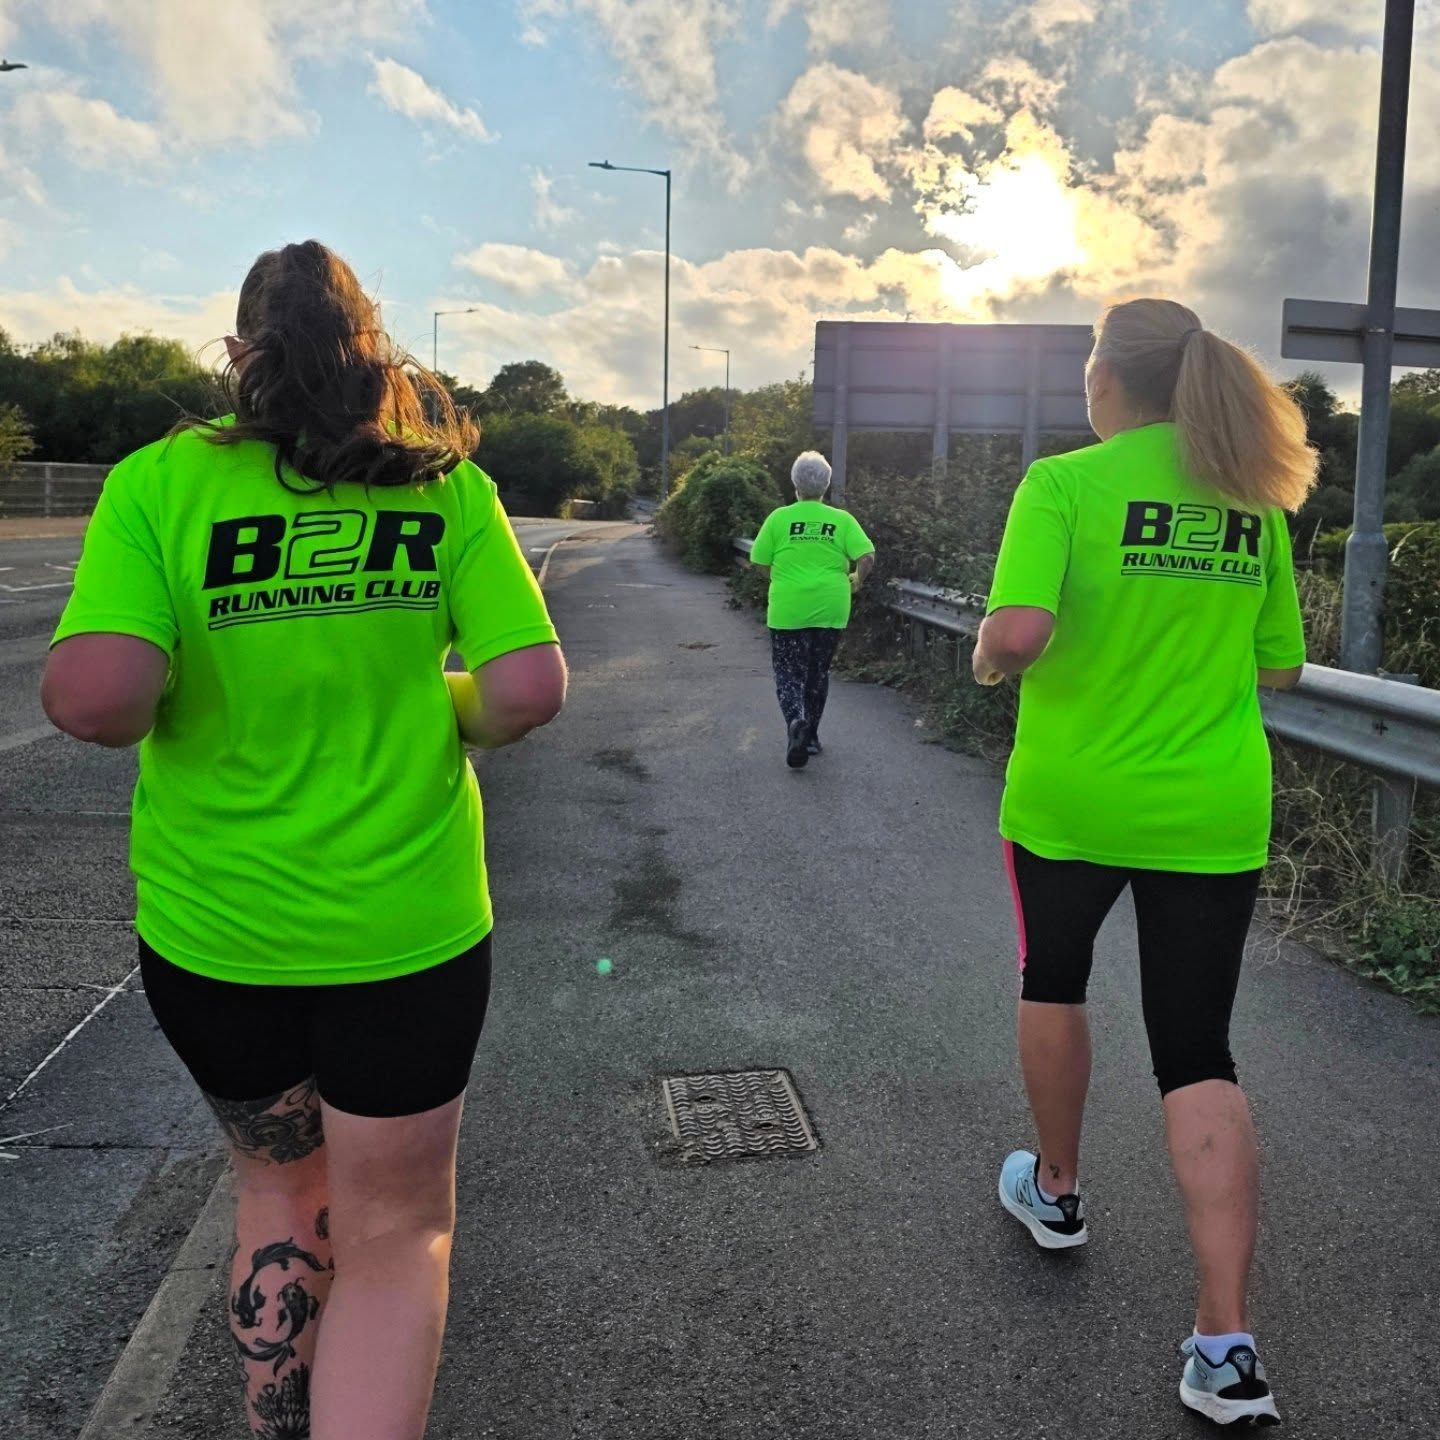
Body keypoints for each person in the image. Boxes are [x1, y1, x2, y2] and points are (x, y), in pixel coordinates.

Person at [41, 240, 566, 1440]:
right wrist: (444, 703)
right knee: (396, 1235)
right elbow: (528, 689)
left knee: (278, 1189)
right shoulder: (444, 487)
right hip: (408, 935)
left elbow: (96, 698)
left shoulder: (160, 485)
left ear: (239, 358)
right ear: (374, 354)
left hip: (217, 939)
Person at [972, 297, 1314, 1426]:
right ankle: (1226, 1346)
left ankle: (1058, 1192)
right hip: (1211, 813)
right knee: (1198, 1050)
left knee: (1052, 978)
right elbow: (1281, 670)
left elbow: (1017, 634)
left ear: (1107, 379)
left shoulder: (1064, 485)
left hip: (1072, 801)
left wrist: (986, 659)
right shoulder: (1253, 503)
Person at [748, 451, 875, 768]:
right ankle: (813, 737)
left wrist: (779, 577)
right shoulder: (842, 520)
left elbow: (759, 561)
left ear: (795, 484)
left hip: (789, 608)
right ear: (827, 485)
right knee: (817, 672)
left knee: (789, 672)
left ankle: (795, 723)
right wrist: (857, 579)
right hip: (831, 607)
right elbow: (868, 557)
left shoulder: (779, 518)